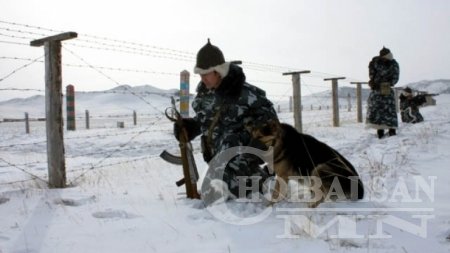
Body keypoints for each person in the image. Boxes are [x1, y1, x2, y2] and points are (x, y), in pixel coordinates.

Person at [173, 39, 278, 205]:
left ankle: (261, 181)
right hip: (219, 161)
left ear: (218, 71)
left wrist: (253, 151)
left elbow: (272, 126)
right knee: (213, 194)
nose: (202, 78)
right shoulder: (205, 94)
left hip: (240, 160)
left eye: (206, 73)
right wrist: (190, 127)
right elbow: (204, 121)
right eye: (200, 74)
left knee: (215, 195)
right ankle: (258, 179)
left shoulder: (245, 94)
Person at [366, 47, 400, 139]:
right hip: (376, 90)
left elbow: (395, 78)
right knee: (378, 110)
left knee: (389, 110)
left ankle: (392, 129)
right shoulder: (374, 62)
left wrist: (388, 83)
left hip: (386, 89)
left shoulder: (393, 64)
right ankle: (380, 130)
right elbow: (371, 75)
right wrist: (373, 82)